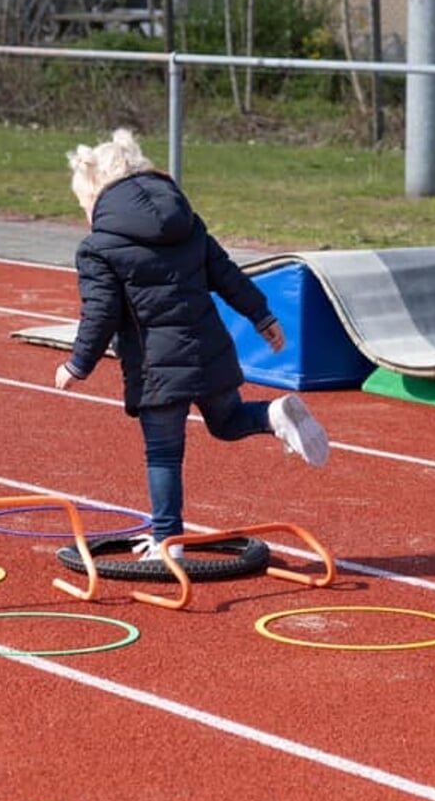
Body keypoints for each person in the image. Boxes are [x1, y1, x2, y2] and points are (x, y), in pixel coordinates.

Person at [53, 129, 329, 561]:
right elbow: (226, 272)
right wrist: (263, 315)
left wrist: (78, 365)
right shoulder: (186, 221)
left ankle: (167, 541)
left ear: (94, 196)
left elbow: (101, 312)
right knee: (229, 419)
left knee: (163, 454)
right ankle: (273, 413)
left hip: (157, 369)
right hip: (210, 351)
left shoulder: (98, 248)